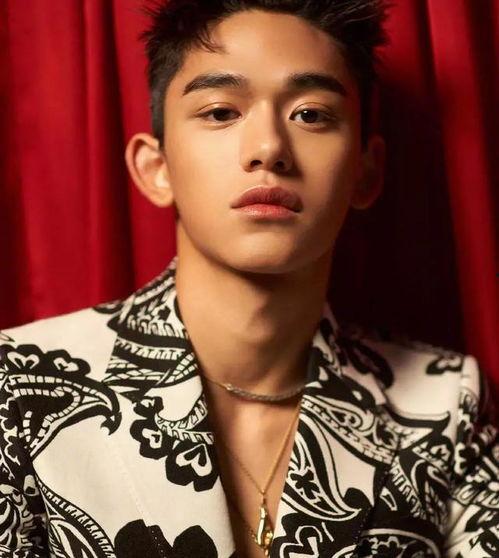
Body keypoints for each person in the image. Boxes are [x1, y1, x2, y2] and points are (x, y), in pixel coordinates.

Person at [0, 0, 497, 556]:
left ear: (366, 172)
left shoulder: (446, 404)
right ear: (155, 168)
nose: (268, 149)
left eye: (311, 114)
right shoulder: (17, 388)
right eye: (220, 112)